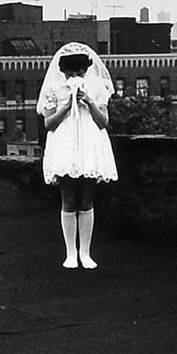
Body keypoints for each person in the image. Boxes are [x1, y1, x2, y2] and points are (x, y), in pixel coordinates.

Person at [35, 42, 118, 269]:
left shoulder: (97, 87)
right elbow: (49, 124)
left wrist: (88, 101)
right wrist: (67, 105)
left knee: (86, 198)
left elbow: (103, 122)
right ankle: (70, 253)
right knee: (69, 198)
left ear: (86, 70)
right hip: (65, 143)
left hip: (89, 143)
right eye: (70, 73)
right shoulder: (54, 89)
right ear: (63, 72)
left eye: (79, 72)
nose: (75, 76)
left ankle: (86, 252)